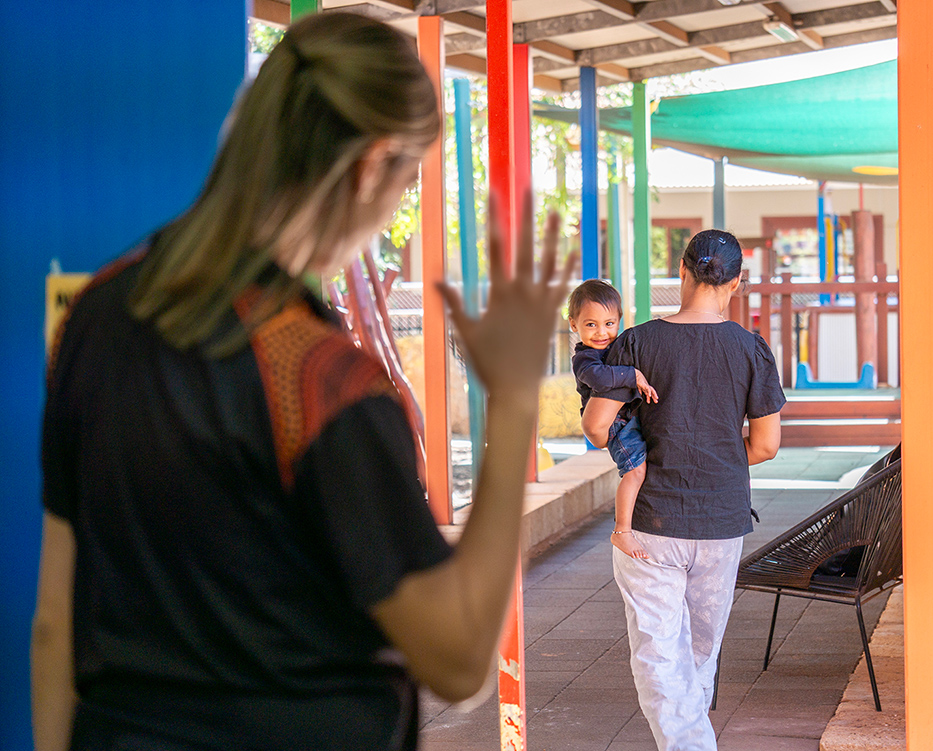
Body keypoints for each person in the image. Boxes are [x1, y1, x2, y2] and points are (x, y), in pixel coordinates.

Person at [32, 12, 574, 751]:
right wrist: (511, 402)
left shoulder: (96, 317)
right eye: (406, 178)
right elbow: (457, 660)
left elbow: (55, 624)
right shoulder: (319, 379)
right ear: (369, 165)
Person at [582, 229, 784, 751]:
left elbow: (598, 425)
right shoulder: (751, 349)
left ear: (682, 270)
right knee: (698, 651)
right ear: (736, 283)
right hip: (720, 521)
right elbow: (765, 446)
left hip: (651, 521)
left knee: (657, 653)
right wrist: (712, 453)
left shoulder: (636, 342)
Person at [567, 279, 658, 559]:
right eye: (590, 324)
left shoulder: (617, 347)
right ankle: (622, 531)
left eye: (609, 323)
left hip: (626, 418)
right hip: (617, 426)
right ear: (574, 325)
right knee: (635, 472)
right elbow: (600, 378)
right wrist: (632, 375)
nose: (601, 332)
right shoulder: (585, 359)